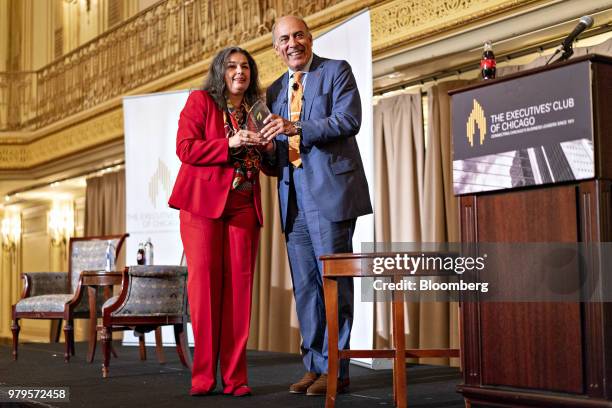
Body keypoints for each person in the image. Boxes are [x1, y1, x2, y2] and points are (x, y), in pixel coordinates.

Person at [260, 15, 372, 396]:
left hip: (329, 193)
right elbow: (276, 152)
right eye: (284, 40)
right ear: (276, 49)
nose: (292, 43)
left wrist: (297, 128)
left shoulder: (335, 71)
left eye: (298, 36)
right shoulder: (273, 90)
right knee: (306, 287)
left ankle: (336, 369)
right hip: (292, 196)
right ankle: (314, 364)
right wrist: (260, 152)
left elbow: (348, 119)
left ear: (309, 38)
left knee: (332, 283)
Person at [168, 46, 272, 397]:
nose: (239, 71)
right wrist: (229, 143)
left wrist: (269, 147)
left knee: (239, 294)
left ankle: (236, 379)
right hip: (202, 207)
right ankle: (203, 378)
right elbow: (185, 148)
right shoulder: (201, 101)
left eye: (245, 66)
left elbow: (268, 159)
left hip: (243, 204)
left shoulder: (258, 109)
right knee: (204, 291)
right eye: (232, 66)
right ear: (220, 71)